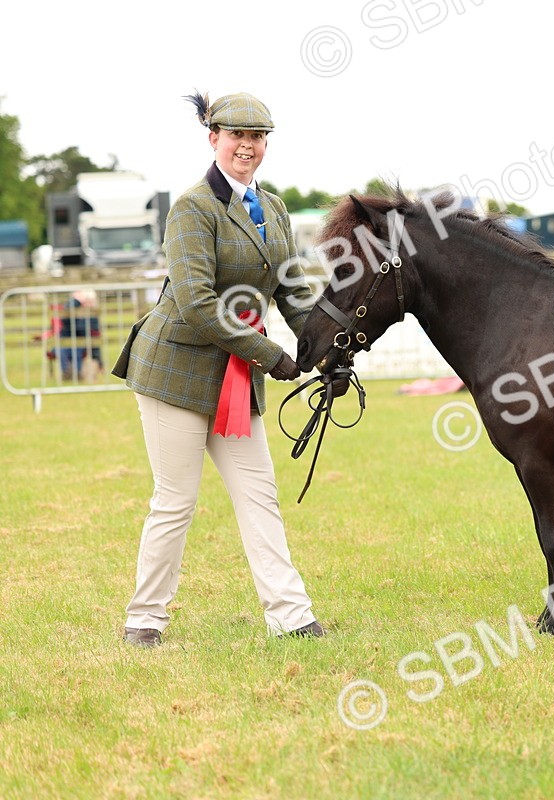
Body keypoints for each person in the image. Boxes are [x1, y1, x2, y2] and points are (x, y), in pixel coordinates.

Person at [111, 91, 323, 647]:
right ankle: (145, 621)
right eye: (237, 136)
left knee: (260, 494)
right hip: (175, 373)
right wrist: (271, 354)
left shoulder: (273, 209)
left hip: (235, 377)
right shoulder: (192, 208)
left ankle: (292, 616)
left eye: (257, 138)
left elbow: (295, 292)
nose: (247, 147)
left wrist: (325, 347)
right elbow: (198, 303)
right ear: (214, 139)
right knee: (175, 500)